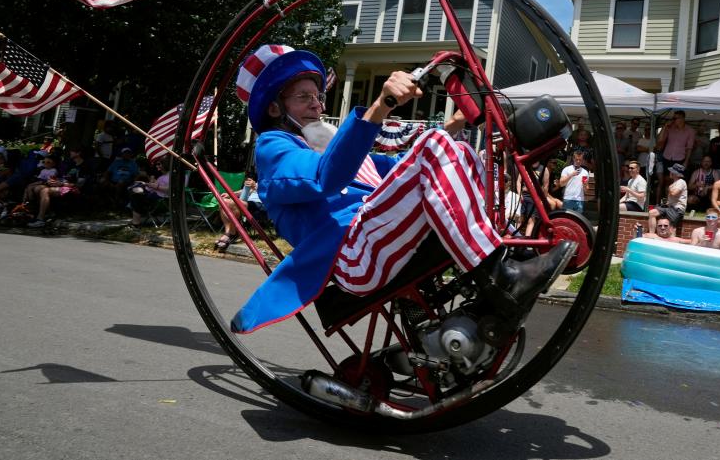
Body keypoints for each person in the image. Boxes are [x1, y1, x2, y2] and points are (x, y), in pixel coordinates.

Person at [230, 45, 576, 334]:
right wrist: (380, 107)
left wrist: (454, 126)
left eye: (318, 95)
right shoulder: (274, 147)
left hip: (375, 236)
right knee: (435, 144)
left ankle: (517, 253)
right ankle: (499, 276)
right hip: (351, 253)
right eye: (304, 97)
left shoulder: (324, 141)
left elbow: (404, 171)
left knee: (462, 151)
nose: (318, 104)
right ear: (275, 108)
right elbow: (324, 178)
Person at [26, 149, 91, 227]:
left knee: (44, 191)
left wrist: (61, 183)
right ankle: (45, 213)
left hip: (73, 188)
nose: (70, 152)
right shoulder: (71, 164)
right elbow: (64, 177)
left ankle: (40, 219)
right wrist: (53, 181)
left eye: (72, 151)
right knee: (37, 188)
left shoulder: (85, 166)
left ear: (79, 153)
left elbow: (79, 184)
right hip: (62, 184)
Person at [655, 111, 695, 202]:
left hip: (680, 158)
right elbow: (660, 141)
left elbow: (689, 148)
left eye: (675, 118)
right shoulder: (670, 128)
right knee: (666, 181)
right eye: (673, 118)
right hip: (667, 157)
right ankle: (666, 202)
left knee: (675, 182)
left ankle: (672, 202)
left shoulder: (690, 131)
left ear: (682, 118)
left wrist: (686, 161)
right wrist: (665, 127)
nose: (673, 120)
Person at [127, 160, 171, 226]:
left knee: (136, 197)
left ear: (165, 164)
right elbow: (153, 186)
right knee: (134, 190)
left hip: (161, 198)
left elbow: (170, 189)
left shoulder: (170, 176)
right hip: (152, 194)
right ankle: (135, 219)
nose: (157, 166)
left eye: (159, 164)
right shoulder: (162, 176)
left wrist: (155, 186)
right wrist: (146, 183)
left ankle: (135, 221)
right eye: (157, 164)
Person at [648, 162, 687, 232]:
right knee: (652, 213)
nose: (669, 172)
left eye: (671, 171)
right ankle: (652, 234)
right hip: (670, 208)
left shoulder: (681, 182)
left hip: (677, 209)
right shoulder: (674, 183)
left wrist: (668, 188)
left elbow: (674, 193)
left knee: (671, 230)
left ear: (675, 173)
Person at [559, 151, 591, 216]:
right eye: (577, 159)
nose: (578, 161)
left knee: (578, 221)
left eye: (580, 160)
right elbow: (561, 183)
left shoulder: (585, 172)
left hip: (580, 200)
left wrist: (585, 185)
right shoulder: (567, 169)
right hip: (568, 198)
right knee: (567, 219)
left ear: (582, 160)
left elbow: (586, 190)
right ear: (573, 159)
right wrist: (571, 175)